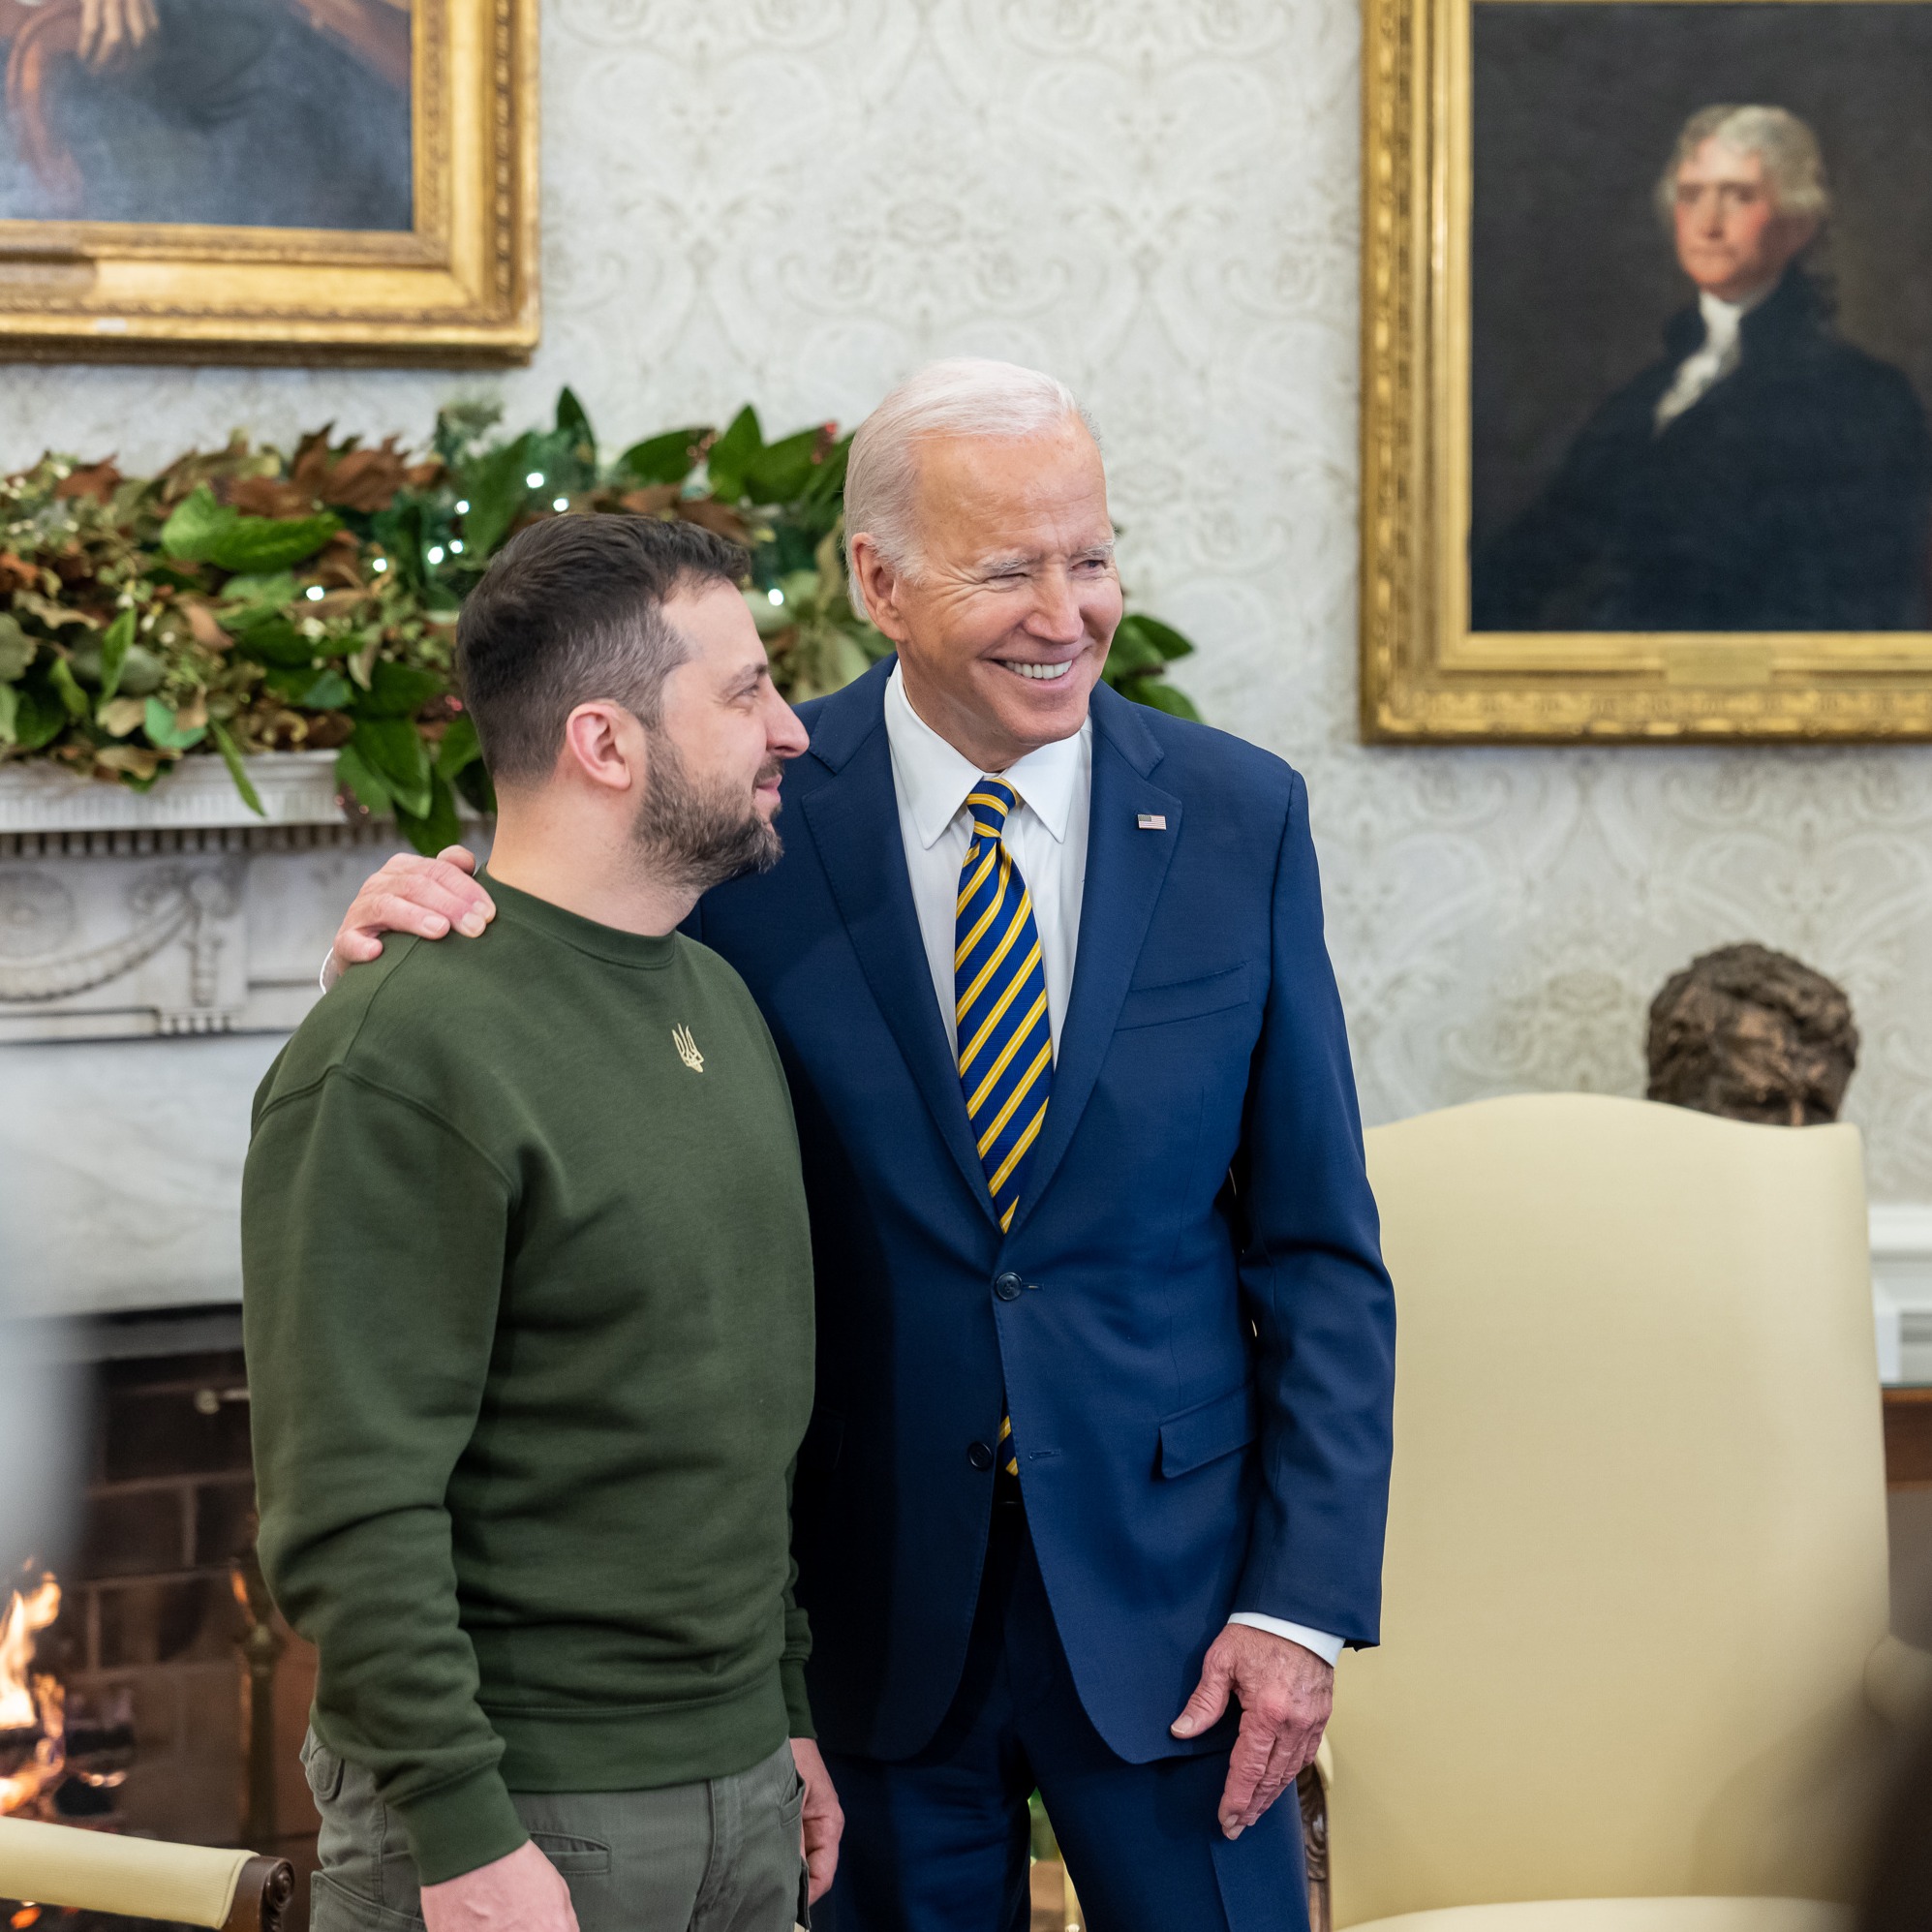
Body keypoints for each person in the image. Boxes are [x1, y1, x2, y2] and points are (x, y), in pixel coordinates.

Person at [327, 359, 1396, 1932]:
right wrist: (402, 928)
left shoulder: (1241, 818)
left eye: (1089, 558)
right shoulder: (745, 802)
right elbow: (556, 935)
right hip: (861, 1625)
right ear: (878, 582)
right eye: (1006, 569)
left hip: (1180, 1621)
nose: (1067, 612)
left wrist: (1300, 1606)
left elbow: (1319, 1253)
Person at [244, 514, 842, 1932]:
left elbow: (726, 1420)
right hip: (519, 1817)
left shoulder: (717, 1002)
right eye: (746, 690)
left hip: (742, 1785)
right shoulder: (399, 1047)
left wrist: (780, 1706)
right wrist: (460, 1829)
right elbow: (347, 1504)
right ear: (604, 740)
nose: (794, 731)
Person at [1473, 104, 1932, 632]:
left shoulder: (1864, 399)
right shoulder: (1644, 397)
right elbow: (1545, 546)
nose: (1708, 224)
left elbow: (1857, 609)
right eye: (1691, 196)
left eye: (1738, 196)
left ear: (1797, 224)